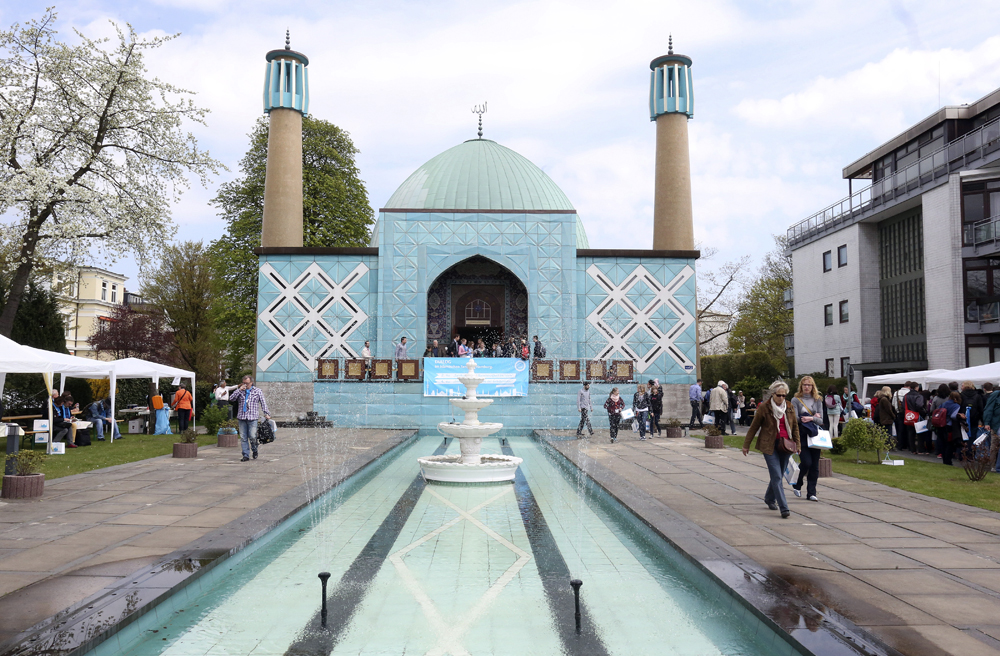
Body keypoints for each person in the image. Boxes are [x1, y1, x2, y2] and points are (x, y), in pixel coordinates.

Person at [742, 381, 800, 519]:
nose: (781, 398)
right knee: (776, 476)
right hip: (769, 445)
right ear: (773, 394)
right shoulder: (764, 408)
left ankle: (769, 498)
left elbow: (795, 427)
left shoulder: (790, 407)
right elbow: (754, 427)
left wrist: (798, 445)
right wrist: (746, 445)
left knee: (778, 475)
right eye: (778, 395)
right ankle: (784, 508)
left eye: (784, 395)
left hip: (786, 445)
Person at [791, 376, 824, 502]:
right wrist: (811, 416)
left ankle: (811, 492)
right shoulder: (796, 400)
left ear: (812, 386)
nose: (806, 387)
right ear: (801, 386)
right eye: (804, 385)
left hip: (814, 435)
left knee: (815, 465)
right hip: (802, 434)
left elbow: (821, 420)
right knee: (806, 462)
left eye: (809, 385)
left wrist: (810, 418)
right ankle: (797, 483)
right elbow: (795, 418)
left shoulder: (818, 400)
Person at [229, 375, 271, 462]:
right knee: (243, 437)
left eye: (247, 383)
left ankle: (255, 450)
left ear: (251, 383)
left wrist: (266, 413)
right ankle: (245, 455)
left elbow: (263, 403)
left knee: (252, 436)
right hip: (242, 417)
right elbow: (231, 399)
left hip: (253, 417)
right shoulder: (240, 391)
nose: (245, 385)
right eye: (243, 383)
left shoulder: (258, 391)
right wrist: (239, 390)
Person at [940, 391, 966, 466]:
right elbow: (953, 416)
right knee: (949, 444)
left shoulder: (944, 404)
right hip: (950, 425)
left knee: (943, 443)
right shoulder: (956, 405)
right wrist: (960, 416)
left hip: (942, 424)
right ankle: (948, 461)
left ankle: (944, 459)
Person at [960, 380, 984, 460]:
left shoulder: (961, 395)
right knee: (972, 437)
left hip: (962, 419)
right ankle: (970, 454)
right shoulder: (977, 396)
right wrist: (983, 421)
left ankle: (962, 453)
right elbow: (981, 409)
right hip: (974, 419)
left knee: (962, 436)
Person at [902, 381, 927, 455]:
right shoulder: (919, 396)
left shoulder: (906, 396)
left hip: (908, 415)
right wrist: (923, 412)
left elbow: (903, 405)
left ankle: (912, 449)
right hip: (917, 415)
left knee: (910, 433)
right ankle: (920, 449)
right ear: (917, 387)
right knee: (920, 433)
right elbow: (919, 405)